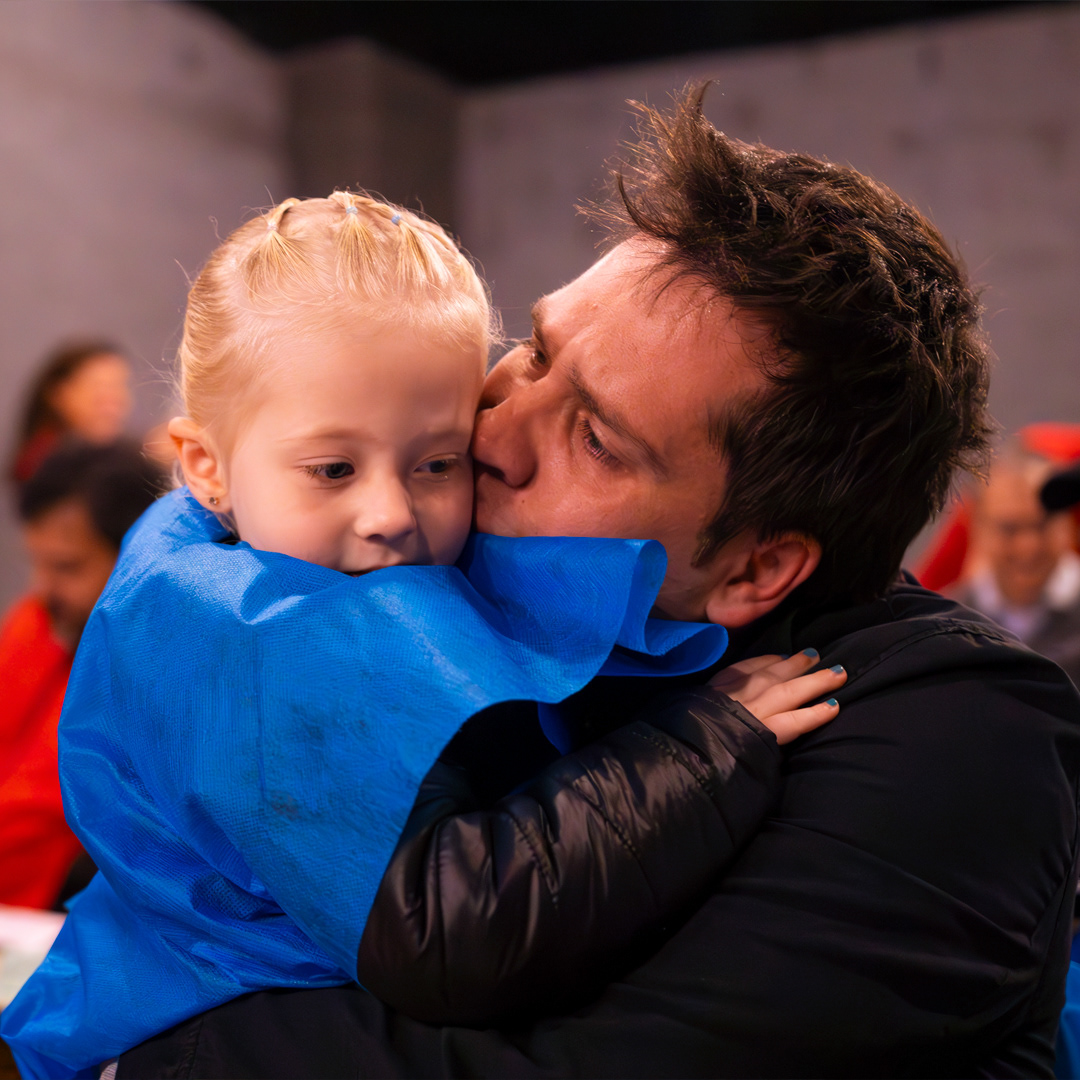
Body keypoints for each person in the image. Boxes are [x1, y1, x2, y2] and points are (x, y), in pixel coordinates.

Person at [105, 87, 1080, 1079]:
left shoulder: (958, 735)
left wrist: (148, 1058)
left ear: (756, 567)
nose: (491, 431)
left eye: (597, 439)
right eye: (535, 352)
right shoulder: (420, 597)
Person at [0, 192, 841, 1080]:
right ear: (206, 465)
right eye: (333, 468)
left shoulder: (303, 564)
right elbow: (448, 933)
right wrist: (699, 750)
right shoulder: (264, 649)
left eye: (439, 461)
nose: (392, 513)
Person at [0, 440, 164, 909]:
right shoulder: (38, 622)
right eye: (37, 562)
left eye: (67, 566)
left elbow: (46, 807)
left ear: (136, 558)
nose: (43, 587)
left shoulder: (155, 667)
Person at [952, 441, 1080, 686]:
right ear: (978, 528)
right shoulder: (948, 624)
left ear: (1067, 524)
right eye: (1010, 529)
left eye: (1042, 525)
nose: (1028, 546)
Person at [9, 341, 133, 485]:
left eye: (120, 386)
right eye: (98, 387)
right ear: (59, 394)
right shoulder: (40, 463)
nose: (114, 400)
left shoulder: (123, 456)